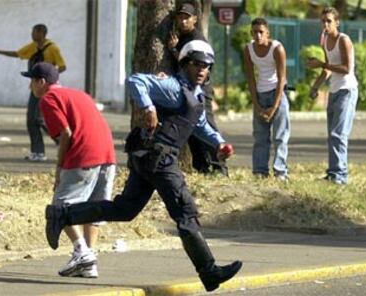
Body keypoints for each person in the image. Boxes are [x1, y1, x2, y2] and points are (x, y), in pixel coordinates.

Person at [45, 40, 241, 292]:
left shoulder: (196, 95)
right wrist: (148, 107)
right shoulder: (174, 87)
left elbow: (200, 124)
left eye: (206, 65)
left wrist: (219, 143)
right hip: (159, 158)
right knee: (185, 212)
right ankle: (209, 271)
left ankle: (62, 215)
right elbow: (135, 80)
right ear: (185, 64)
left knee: (125, 209)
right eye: (196, 64)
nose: (202, 69)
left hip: (149, 157)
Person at [21, 62, 116, 278]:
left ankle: (82, 252)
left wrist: (59, 167)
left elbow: (65, 133)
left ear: (41, 82)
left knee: (60, 208)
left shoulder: (48, 99)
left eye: (31, 82)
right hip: (108, 155)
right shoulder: (80, 94)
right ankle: (90, 263)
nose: (30, 88)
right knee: (94, 208)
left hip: (84, 155)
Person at [0, 24, 66, 162]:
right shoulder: (33, 47)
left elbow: (63, 66)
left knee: (39, 120)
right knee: (31, 120)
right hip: (35, 89)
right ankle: (38, 152)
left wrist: (50, 78)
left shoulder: (53, 48)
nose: (32, 34)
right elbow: (17, 54)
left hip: (46, 89)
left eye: (34, 31)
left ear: (41, 32)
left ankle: (64, 142)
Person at [168, 2, 228, 176]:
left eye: (187, 17)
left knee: (207, 126)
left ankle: (220, 167)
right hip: (189, 90)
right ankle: (202, 167)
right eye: (180, 17)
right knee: (191, 128)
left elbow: (191, 65)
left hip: (200, 89)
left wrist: (173, 49)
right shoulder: (182, 36)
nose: (183, 21)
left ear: (195, 19)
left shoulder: (196, 39)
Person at [307, 7, 358, 185]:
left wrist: (320, 63)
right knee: (332, 135)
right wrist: (315, 86)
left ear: (337, 22)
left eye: (329, 21)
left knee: (339, 134)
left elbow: (346, 68)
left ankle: (340, 176)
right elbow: (328, 68)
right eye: (323, 21)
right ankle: (333, 173)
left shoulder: (344, 40)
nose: (325, 24)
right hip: (334, 91)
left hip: (347, 90)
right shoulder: (325, 40)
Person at [243, 17, 290, 180]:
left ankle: (280, 172)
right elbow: (250, 78)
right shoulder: (248, 49)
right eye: (255, 32)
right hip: (260, 94)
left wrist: (274, 107)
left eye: (261, 32)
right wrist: (256, 104)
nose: (258, 35)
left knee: (280, 136)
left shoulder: (277, 48)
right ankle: (260, 171)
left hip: (277, 93)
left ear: (267, 33)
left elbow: (282, 79)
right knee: (260, 137)